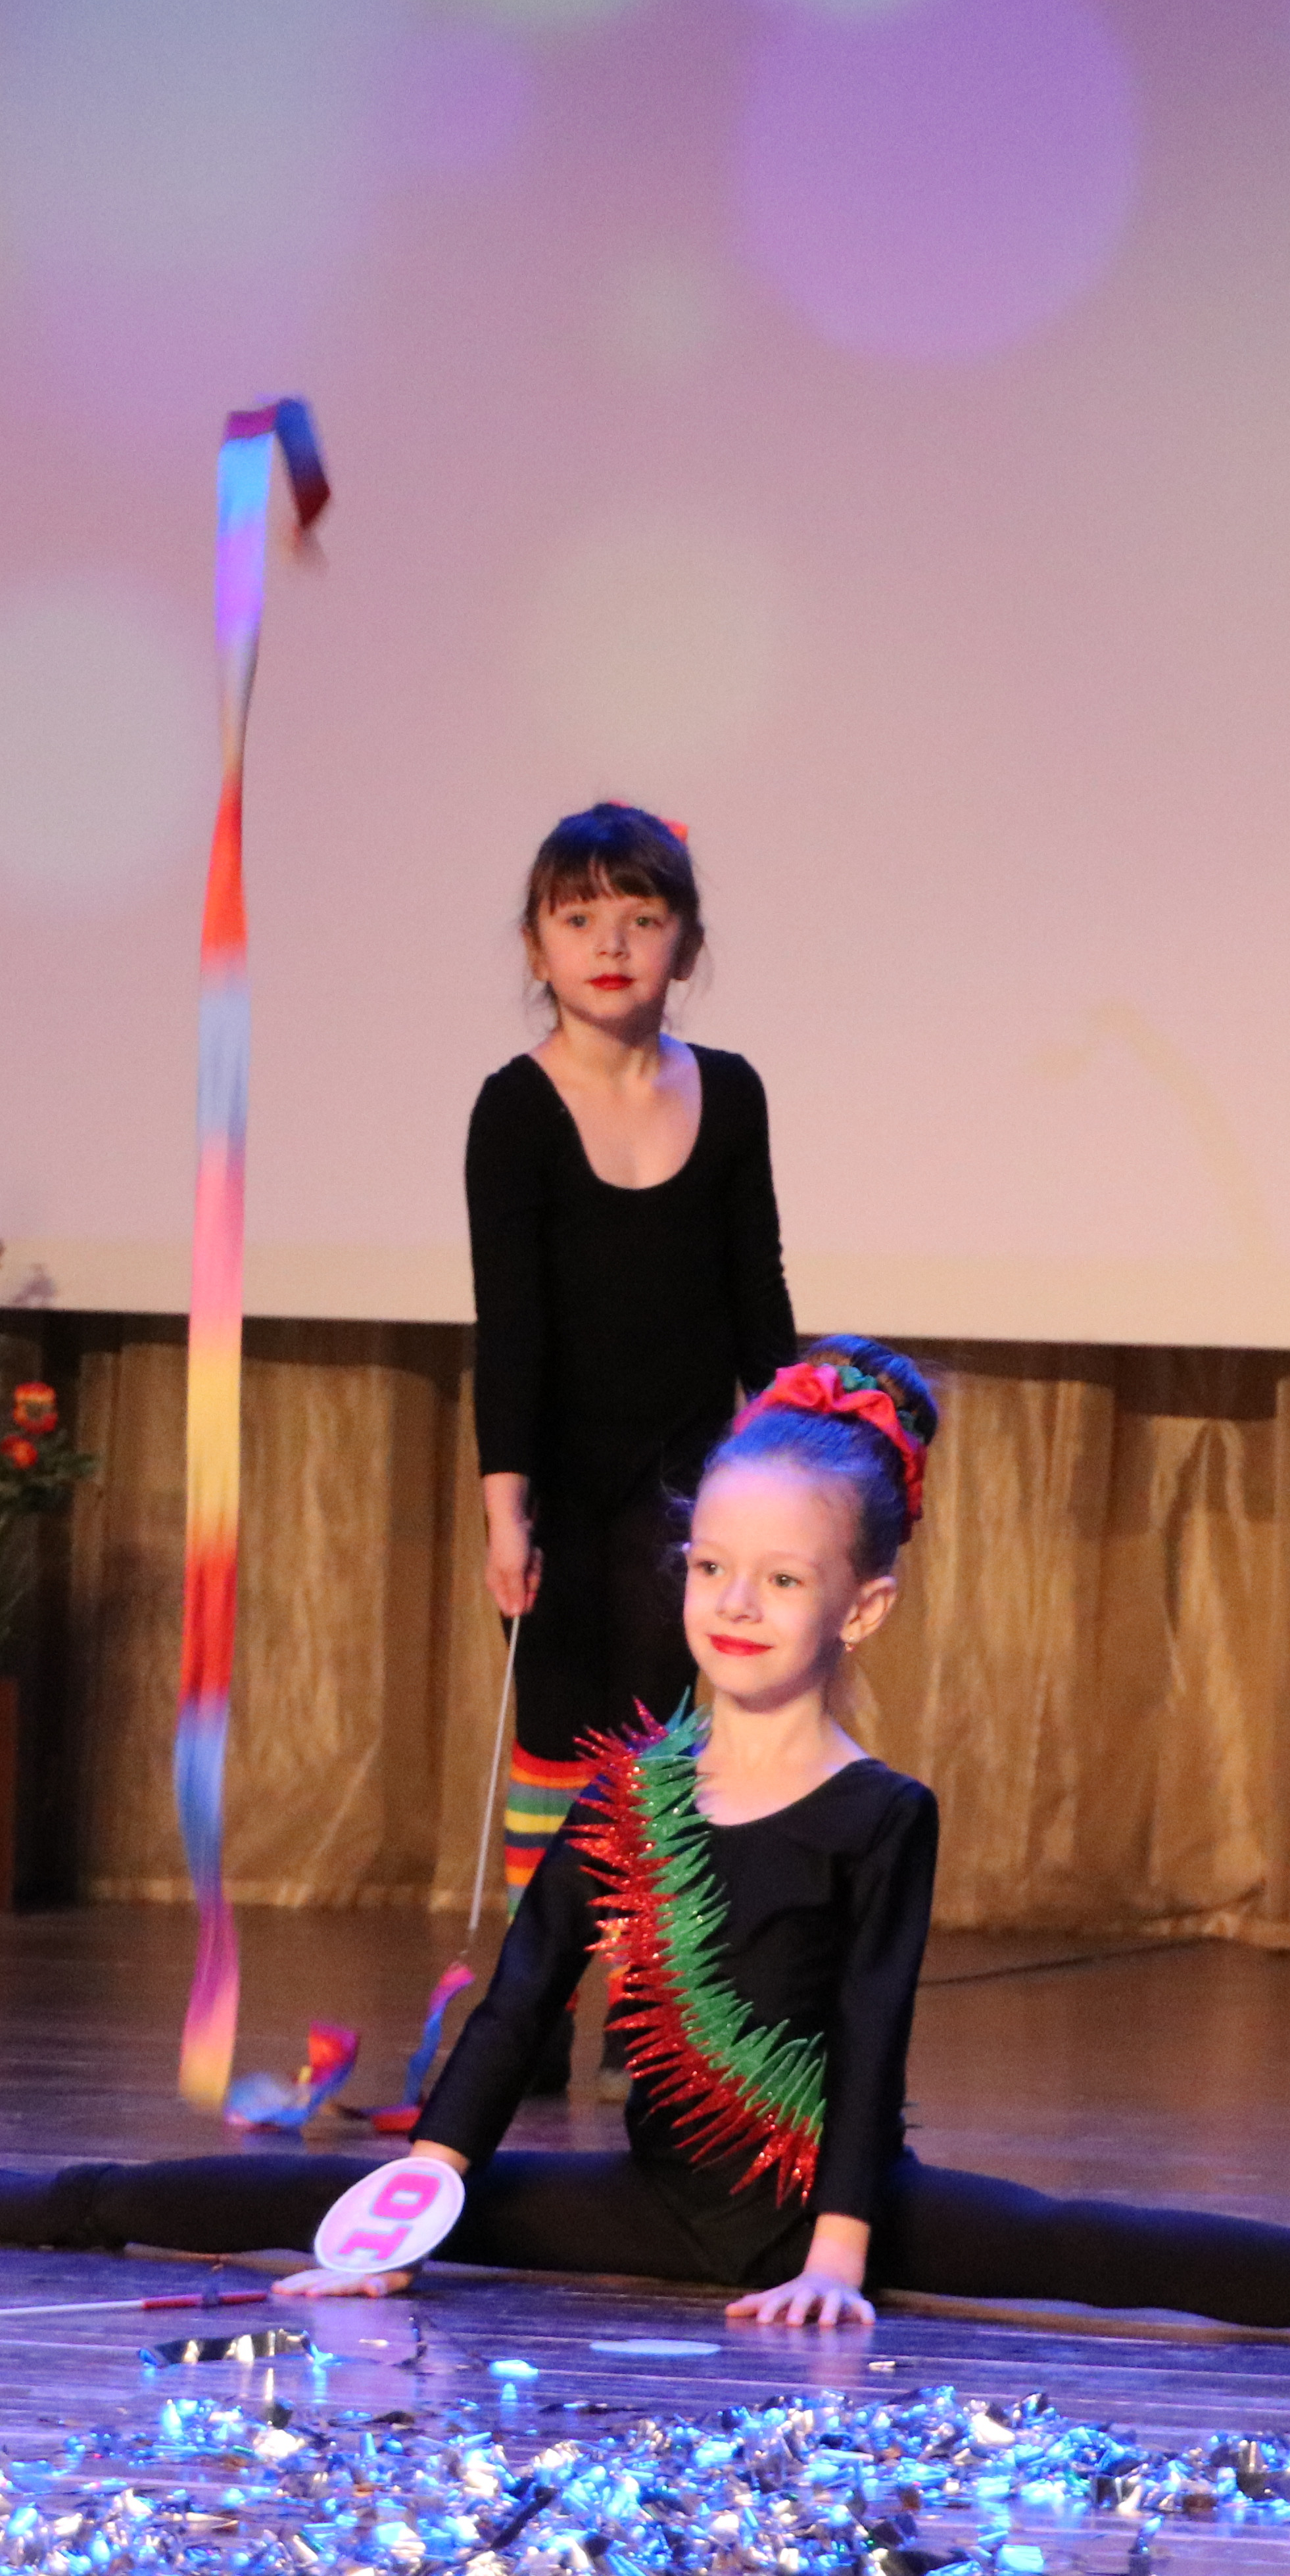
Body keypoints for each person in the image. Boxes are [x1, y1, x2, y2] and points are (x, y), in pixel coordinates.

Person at [0, 1344, 1290, 2355]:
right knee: (267, 2207)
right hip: (650, 2198)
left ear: (865, 1605)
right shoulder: (627, 1792)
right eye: (713, 1568)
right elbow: (516, 2009)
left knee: (1112, 2246)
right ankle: (3, 2198)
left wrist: (839, 2253)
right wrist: (414, 2199)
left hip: (825, 2206)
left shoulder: (882, 1812)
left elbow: (870, 2042)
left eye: (783, 1577)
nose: (736, 1603)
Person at [466, 803, 794, 2092]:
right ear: (537, 946)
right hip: (561, 1486)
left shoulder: (732, 1093)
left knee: (661, 1749)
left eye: (641, 918)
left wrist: (784, 1467)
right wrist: (506, 1508)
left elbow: (758, 1296)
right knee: (557, 1742)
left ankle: (644, 2013)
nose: (611, 945)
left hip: (689, 1483)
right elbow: (511, 1323)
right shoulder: (515, 1109)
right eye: (579, 917)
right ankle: (536, 2010)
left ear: (686, 944)